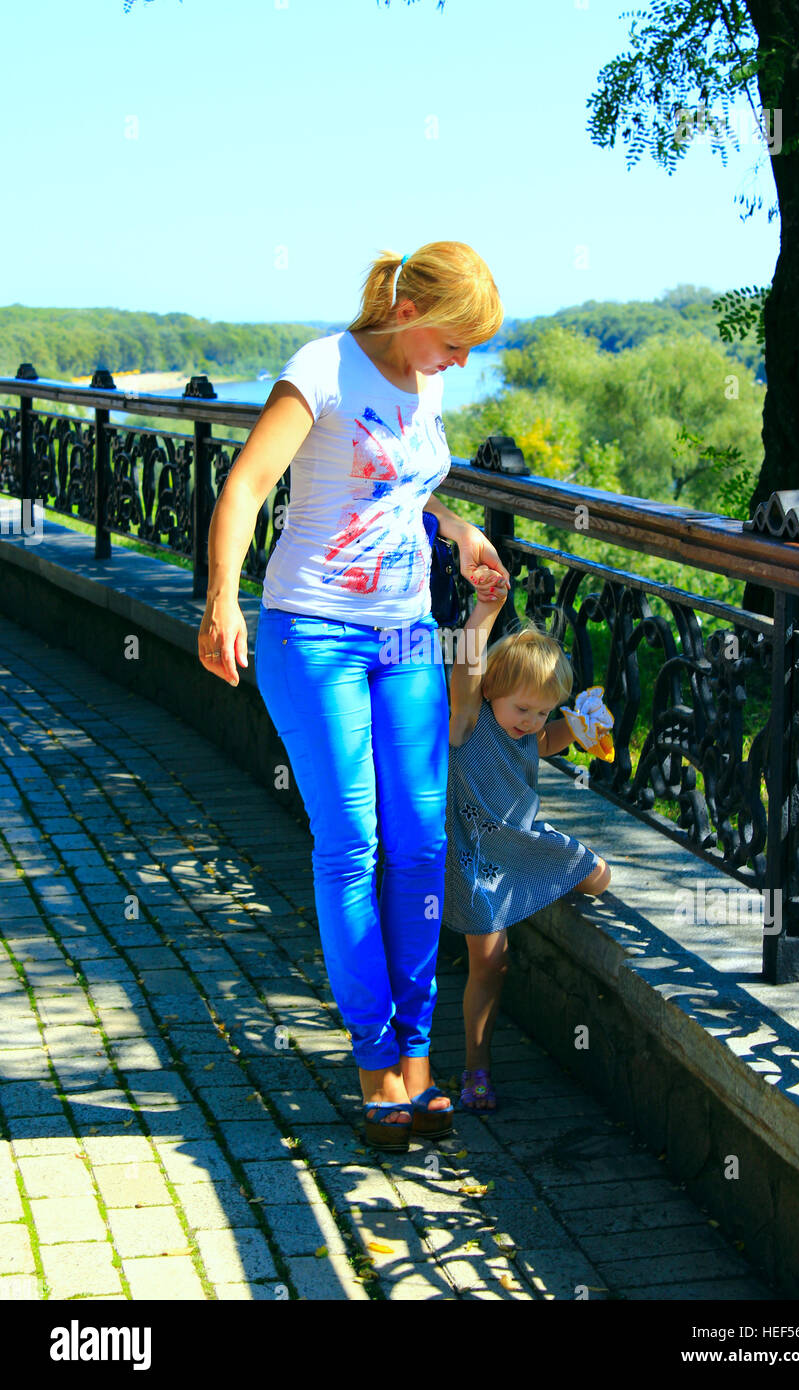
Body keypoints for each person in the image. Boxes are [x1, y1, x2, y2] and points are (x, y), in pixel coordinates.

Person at [197, 242, 509, 1151]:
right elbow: (248, 485)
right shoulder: (321, 369)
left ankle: (419, 1052)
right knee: (352, 845)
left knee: (421, 845)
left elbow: (399, 490)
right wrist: (221, 597)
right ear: (411, 312)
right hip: (315, 632)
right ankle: (377, 1064)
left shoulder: (428, 383)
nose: (461, 363)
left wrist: (454, 529)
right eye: (455, 342)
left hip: (408, 631)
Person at [443, 574, 611, 1112]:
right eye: (524, 710)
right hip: (473, 856)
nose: (532, 722)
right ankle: (476, 1069)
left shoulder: (528, 729)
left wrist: (580, 729)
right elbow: (468, 662)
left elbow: (550, 740)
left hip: (524, 842)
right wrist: (484, 609)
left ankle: (535, 886)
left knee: (600, 878)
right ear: (489, 691)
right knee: (492, 961)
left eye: (543, 710)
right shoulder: (467, 721)